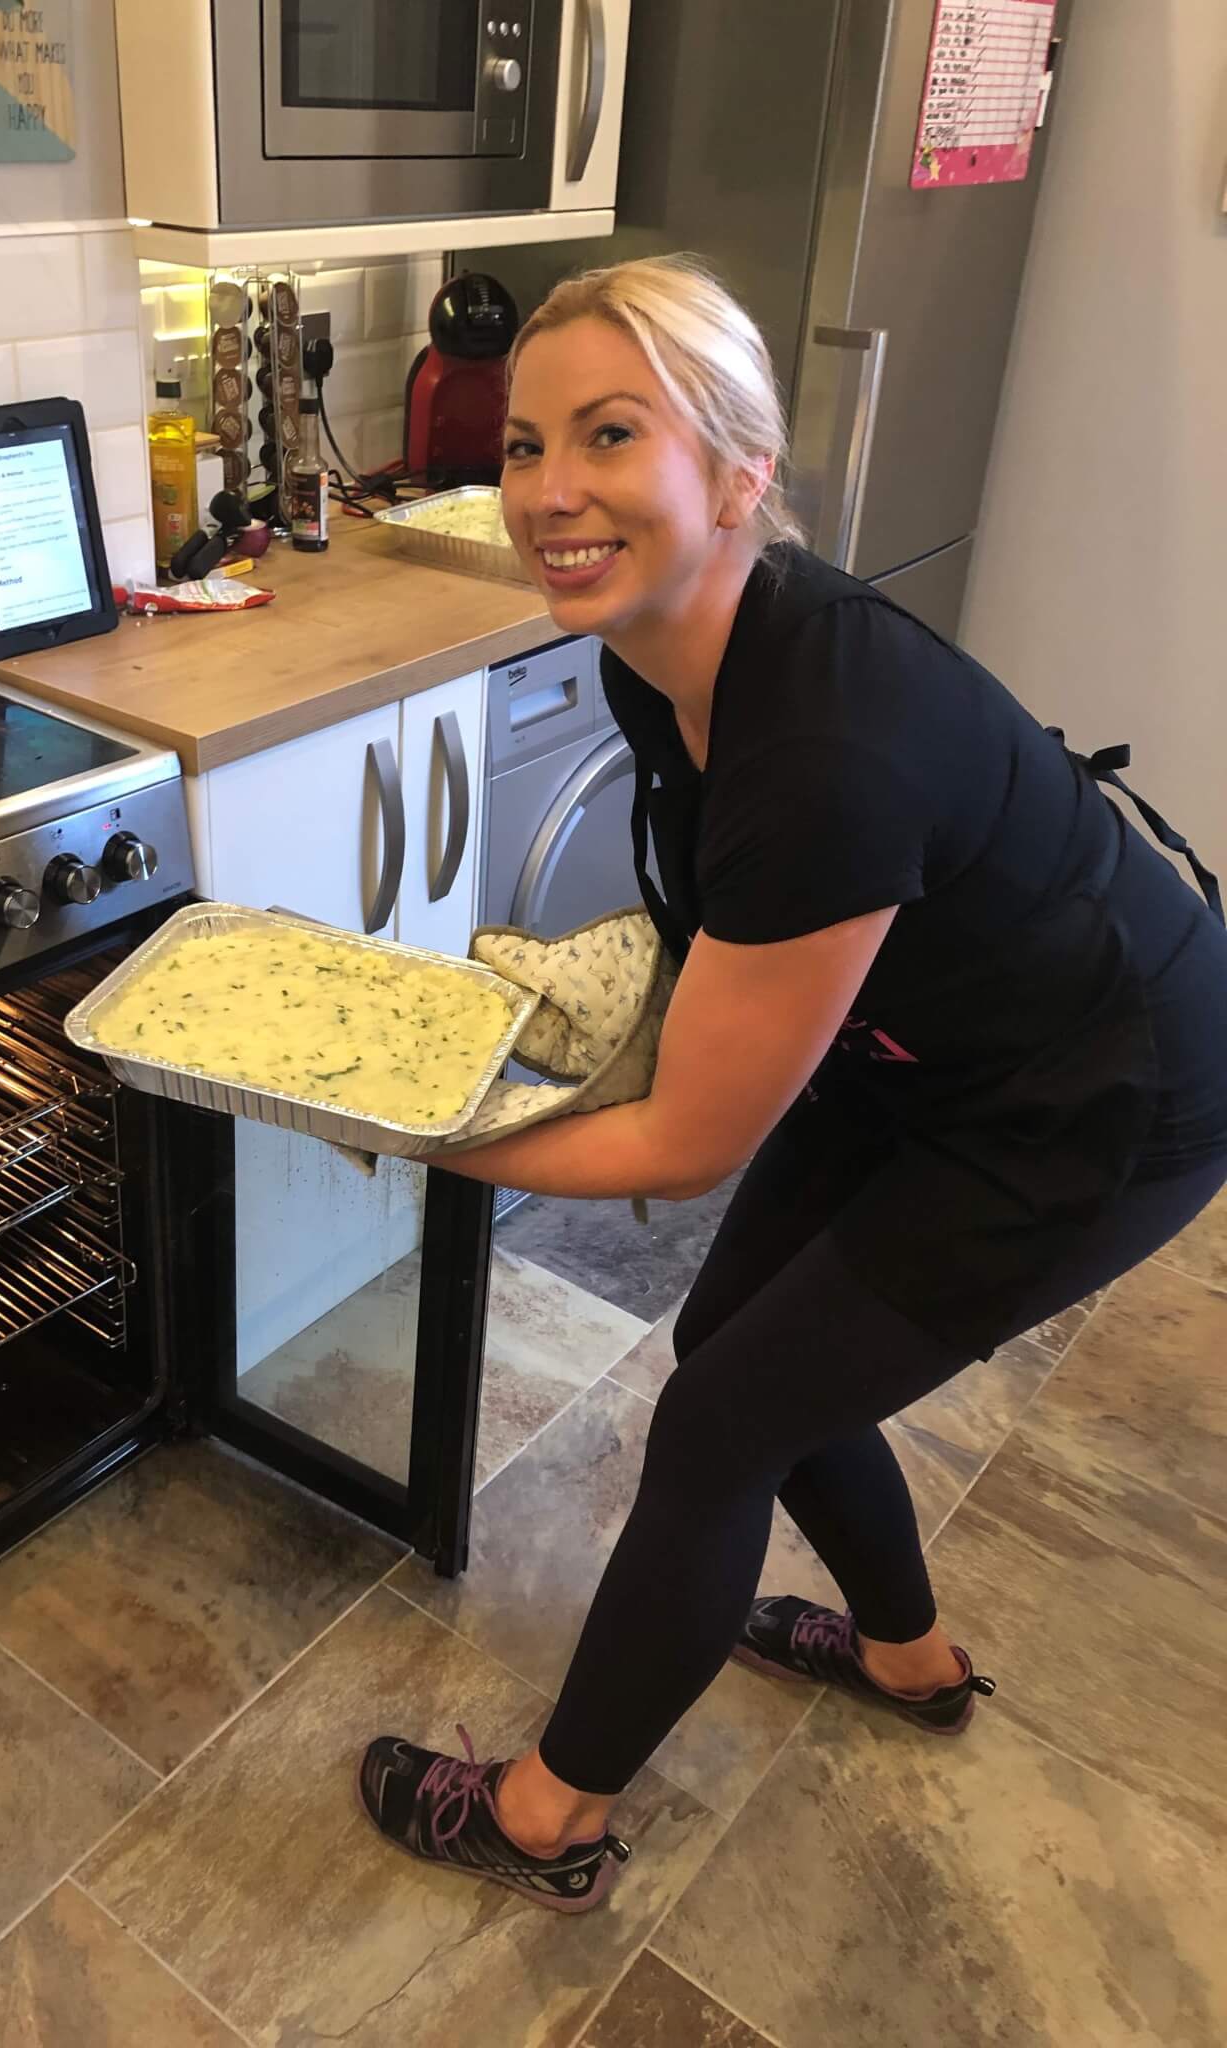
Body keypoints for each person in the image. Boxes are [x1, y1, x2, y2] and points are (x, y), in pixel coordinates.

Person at [356, 255, 1227, 1913]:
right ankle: (907, 1660)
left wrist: (428, 1138)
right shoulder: (664, 655)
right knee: (740, 1359)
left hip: (1100, 1099)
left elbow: (686, 1146)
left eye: (611, 434)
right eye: (526, 444)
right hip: (929, 1040)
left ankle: (547, 1819)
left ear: (742, 471)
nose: (548, 491)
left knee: (717, 1425)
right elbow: (732, 956)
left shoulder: (823, 745)